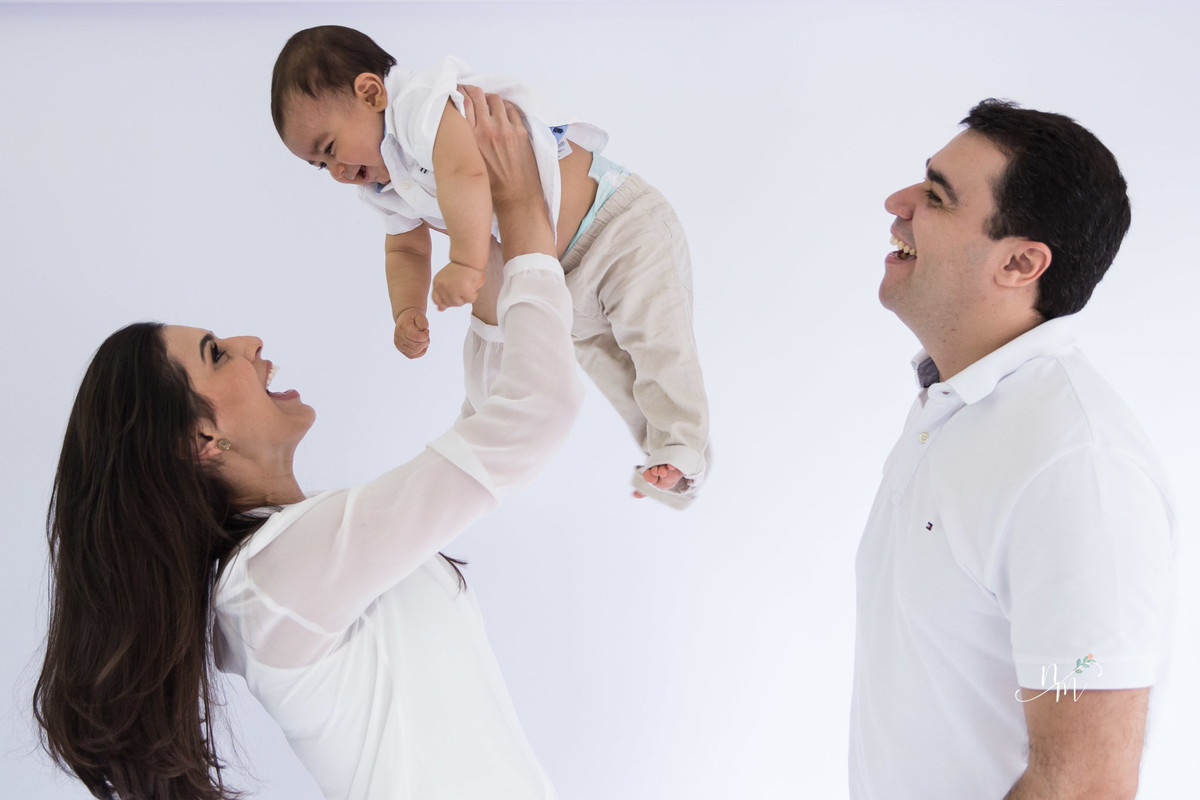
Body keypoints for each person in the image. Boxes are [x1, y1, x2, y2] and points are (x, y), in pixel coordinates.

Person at [34, 89, 581, 800]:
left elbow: (491, 423)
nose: (248, 342)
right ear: (202, 438)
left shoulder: (296, 559)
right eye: (214, 353)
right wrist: (528, 228)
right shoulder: (277, 580)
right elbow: (532, 418)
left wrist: (484, 272)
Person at [850, 99, 1176, 799]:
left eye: (936, 197)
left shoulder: (1074, 465)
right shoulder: (954, 408)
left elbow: (1086, 782)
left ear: (1021, 262)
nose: (898, 203)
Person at [269, 25, 710, 507]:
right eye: (319, 166)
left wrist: (464, 260)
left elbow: (467, 173)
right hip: (560, 276)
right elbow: (406, 250)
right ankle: (639, 450)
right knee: (611, 367)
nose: (336, 172)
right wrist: (406, 310)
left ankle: (681, 445)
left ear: (371, 92)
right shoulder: (381, 183)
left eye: (330, 148)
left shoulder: (422, 108)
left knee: (655, 341)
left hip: (618, 227)